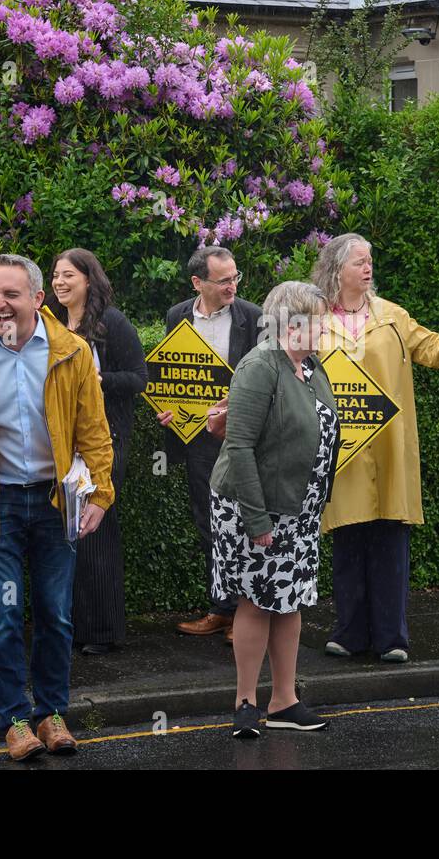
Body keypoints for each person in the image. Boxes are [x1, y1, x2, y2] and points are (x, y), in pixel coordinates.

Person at [0, 253, 115, 761]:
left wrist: (99, 495)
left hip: (56, 505)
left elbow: (94, 434)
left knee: (56, 615)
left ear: (37, 298)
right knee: (6, 615)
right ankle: (14, 720)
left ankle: (52, 713)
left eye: (11, 294)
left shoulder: (71, 352)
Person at [313, 233, 439, 663]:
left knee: (389, 540)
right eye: (358, 262)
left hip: (389, 445)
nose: (367, 268)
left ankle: (391, 637)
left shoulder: (393, 316)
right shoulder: (313, 318)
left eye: (370, 261)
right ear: (336, 270)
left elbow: (438, 351)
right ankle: (349, 633)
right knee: (347, 540)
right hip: (341, 449)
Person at [209, 281, 340, 737]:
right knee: (255, 602)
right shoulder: (260, 365)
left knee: (291, 602)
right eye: (319, 319)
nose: (326, 327)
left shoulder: (312, 368)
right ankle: (245, 704)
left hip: (299, 511)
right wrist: (257, 519)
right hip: (254, 507)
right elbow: (240, 446)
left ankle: (284, 702)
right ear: (294, 321)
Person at [158, 246, 263, 641]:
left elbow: (268, 376)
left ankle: (248, 616)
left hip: (245, 438)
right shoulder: (177, 316)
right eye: (224, 280)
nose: (232, 286)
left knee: (249, 523)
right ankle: (222, 608)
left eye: (235, 277)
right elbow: (172, 373)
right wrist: (169, 408)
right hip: (200, 439)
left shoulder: (253, 317)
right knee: (209, 523)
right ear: (198, 283)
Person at [47, 248, 146, 655]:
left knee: (95, 530)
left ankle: (103, 631)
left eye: (69, 274)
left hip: (106, 440)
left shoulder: (112, 324)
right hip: (62, 442)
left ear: (89, 279)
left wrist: (97, 380)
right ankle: (72, 626)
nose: (60, 282)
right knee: (67, 533)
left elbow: (139, 378)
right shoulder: (50, 324)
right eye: (55, 275)